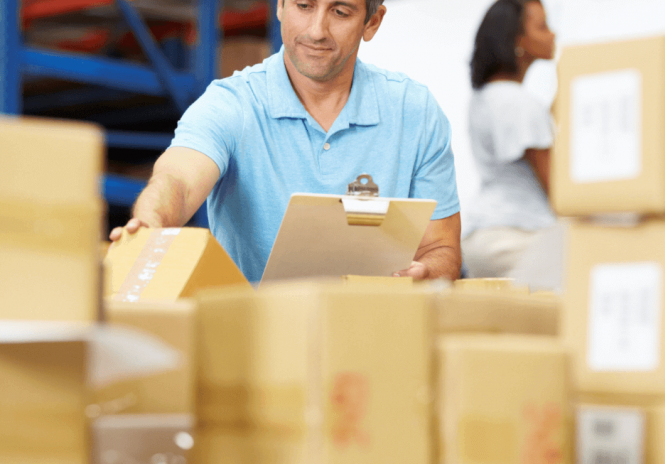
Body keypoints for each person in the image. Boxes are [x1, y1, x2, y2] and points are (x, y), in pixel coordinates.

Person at [109, 0, 461, 282]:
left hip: (370, 332)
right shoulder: (232, 103)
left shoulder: (414, 111)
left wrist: (425, 273)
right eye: (303, 6)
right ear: (279, 6)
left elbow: (441, 248)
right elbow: (178, 181)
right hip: (258, 339)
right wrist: (151, 224)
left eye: (340, 11)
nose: (316, 30)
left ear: (372, 22)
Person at [461, 0, 556, 278]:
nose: (553, 34)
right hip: (518, 236)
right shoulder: (518, 102)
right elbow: (558, 189)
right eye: (542, 27)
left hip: (485, 233)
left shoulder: (486, 96)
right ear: (518, 40)